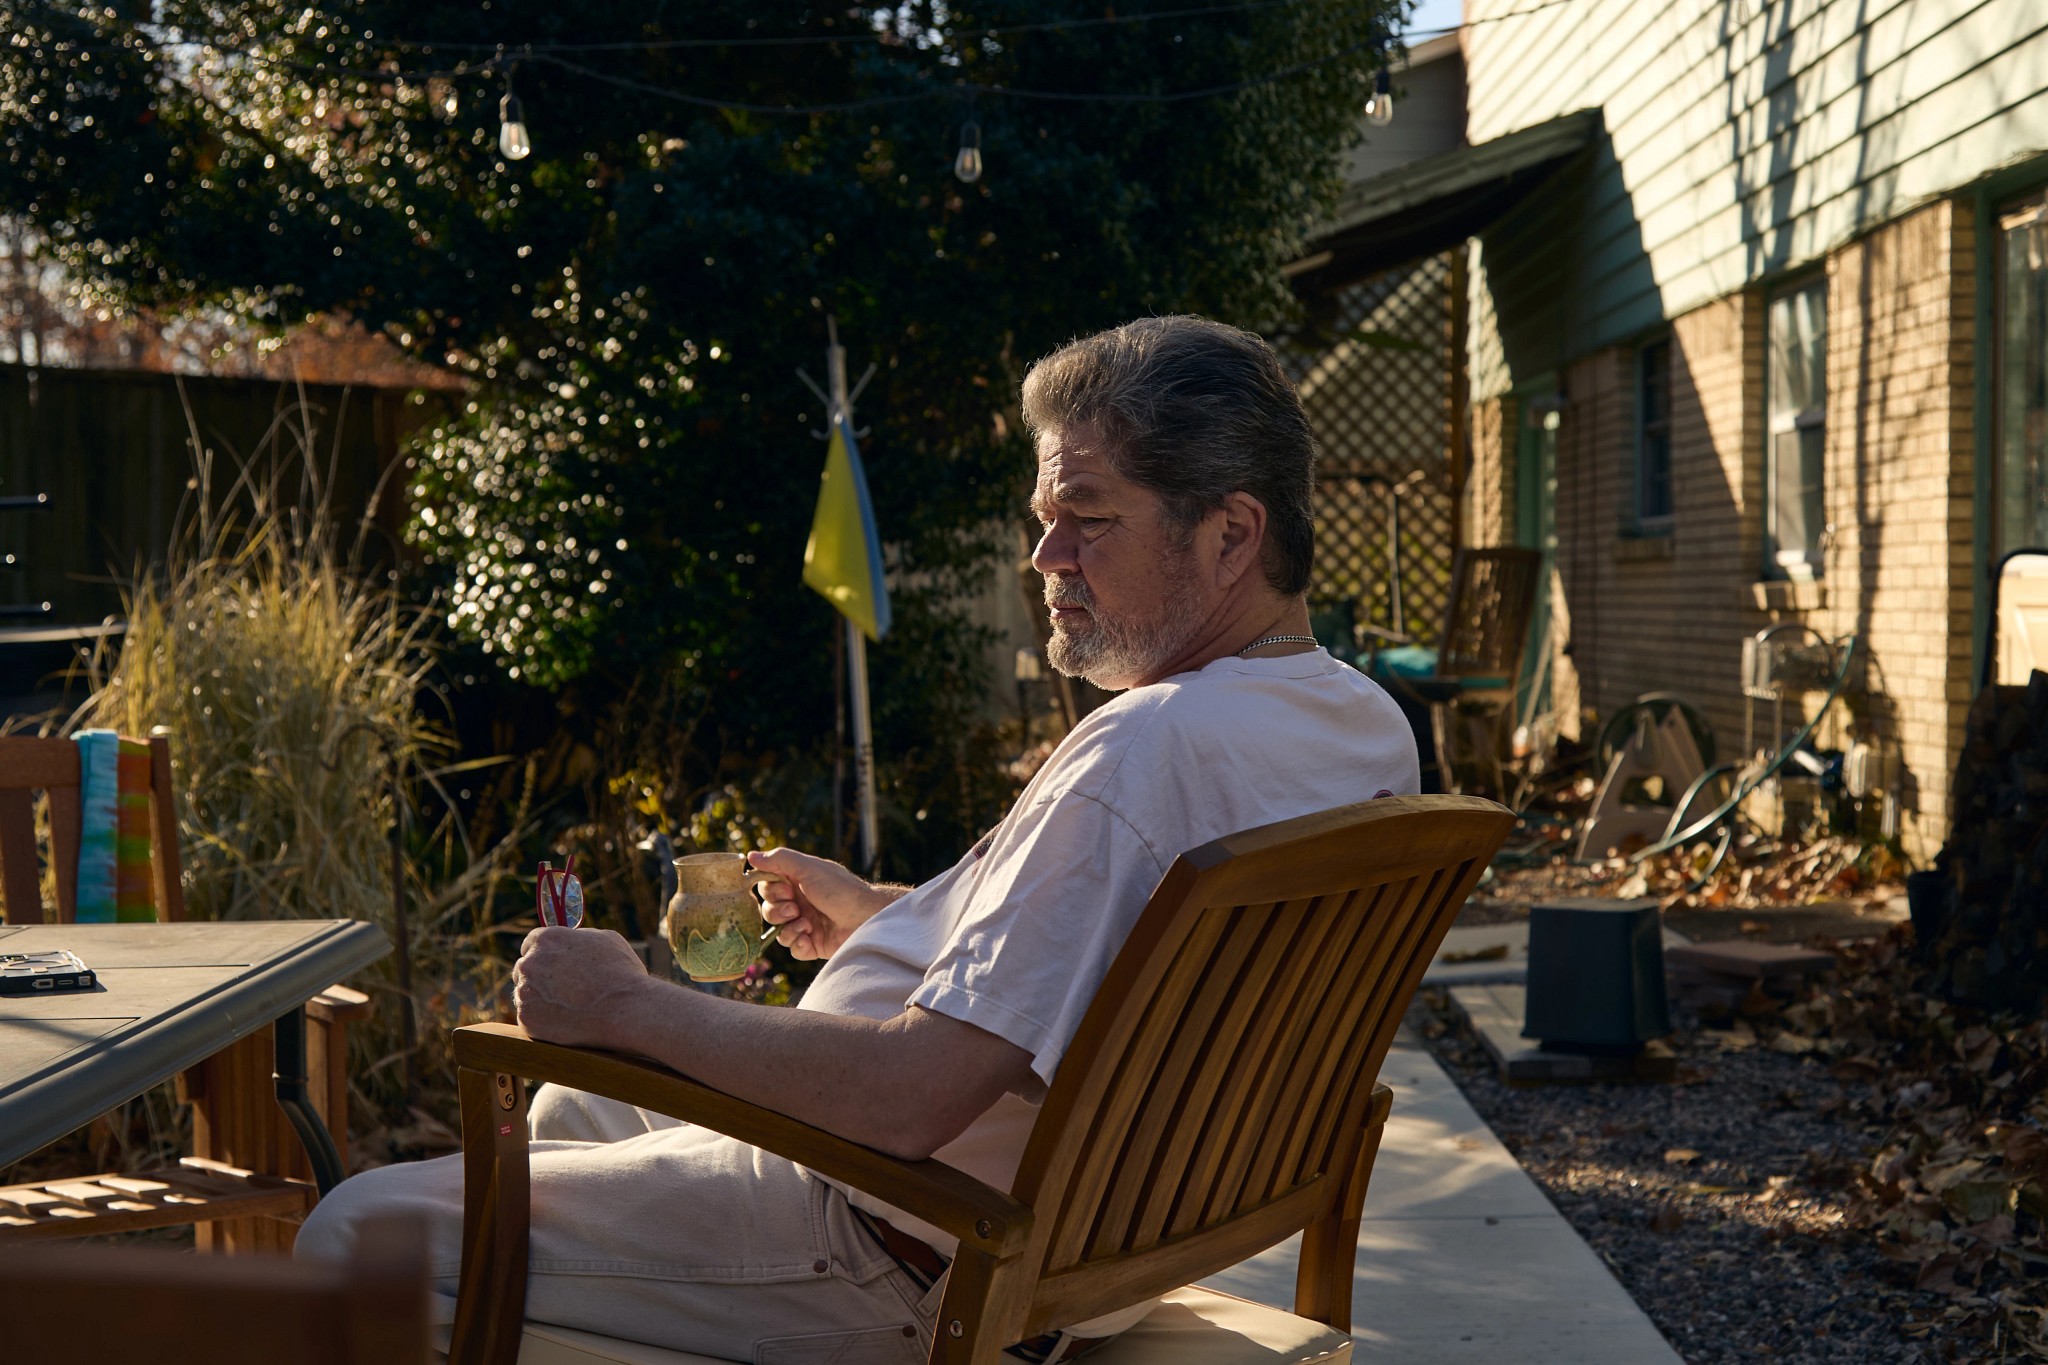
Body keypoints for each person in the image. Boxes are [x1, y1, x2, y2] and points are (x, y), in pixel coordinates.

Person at [298, 315, 1419, 1362]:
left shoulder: (1149, 748)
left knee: (359, 1237)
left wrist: (623, 1001)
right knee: (581, 1104)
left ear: (1230, 533)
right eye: (1043, 519)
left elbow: (909, 1099)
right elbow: (1123, 966)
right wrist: (887, 916)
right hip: (1063, 1226)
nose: (1046, 558)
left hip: (899, 1237)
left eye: (1089, 517)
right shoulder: (1356, 731)